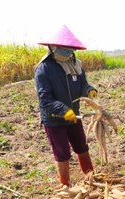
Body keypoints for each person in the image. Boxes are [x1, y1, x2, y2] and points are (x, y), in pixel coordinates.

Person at [34, 25, 98, 188]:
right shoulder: (44, 69)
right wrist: (63, 110)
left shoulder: (75, 64)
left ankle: (91, 178)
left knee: (81, 146)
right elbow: (45, 99)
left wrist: (89, 90)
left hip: (74, 116)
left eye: (69, 49)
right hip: (54, 119)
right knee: (62, 153)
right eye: (64, 49)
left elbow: (83, 83)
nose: (67, 53)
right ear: (53, 48)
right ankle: (66, 185)